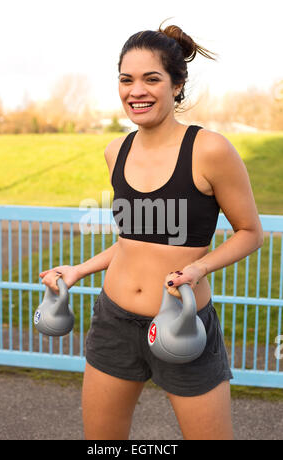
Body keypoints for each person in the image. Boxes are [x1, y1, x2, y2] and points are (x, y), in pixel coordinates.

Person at [39, 20, 264, 440]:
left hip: (183, 323)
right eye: (126, 79)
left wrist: (198, 269)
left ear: (177, 86)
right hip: (113, 321)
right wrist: (78, 271)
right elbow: (131, 242)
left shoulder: (210, 149)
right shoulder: (115, 151)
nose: (135, 91)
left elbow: (250, 232)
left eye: (151, 79)